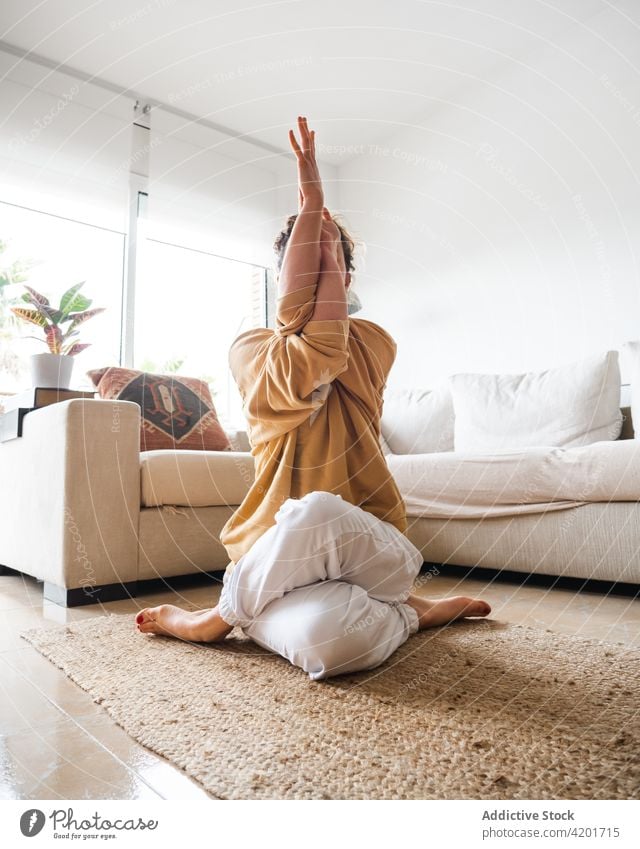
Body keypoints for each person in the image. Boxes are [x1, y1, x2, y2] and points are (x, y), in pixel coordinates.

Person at [136, 117, 491, 680]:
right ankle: (411, 617)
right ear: (280, 276)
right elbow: (304, 345)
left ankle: (213, 620)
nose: (326, 267)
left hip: (371, 550)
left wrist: (316, 222)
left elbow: (323, 344)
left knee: (319, 511)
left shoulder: (373, 342)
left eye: (335, 260)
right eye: (312, 257)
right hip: (276, 556)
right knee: (328, 646)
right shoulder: (249, 350)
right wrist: (313, 215)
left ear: (348, 278)